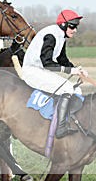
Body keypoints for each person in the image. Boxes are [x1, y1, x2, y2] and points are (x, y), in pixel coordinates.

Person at [21, 9, 88, 137]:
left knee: (76, 90)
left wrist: (77, 70)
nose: (75, 30)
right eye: (72, 26)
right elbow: (47, 63)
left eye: (76, 27)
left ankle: (68, 121)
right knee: (67, 88)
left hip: (41, 70)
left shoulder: (61, 36)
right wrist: (70, 71)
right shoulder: (51, 35)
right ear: (63, 24)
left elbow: (62, 59)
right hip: (32, 71)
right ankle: (60, 128)